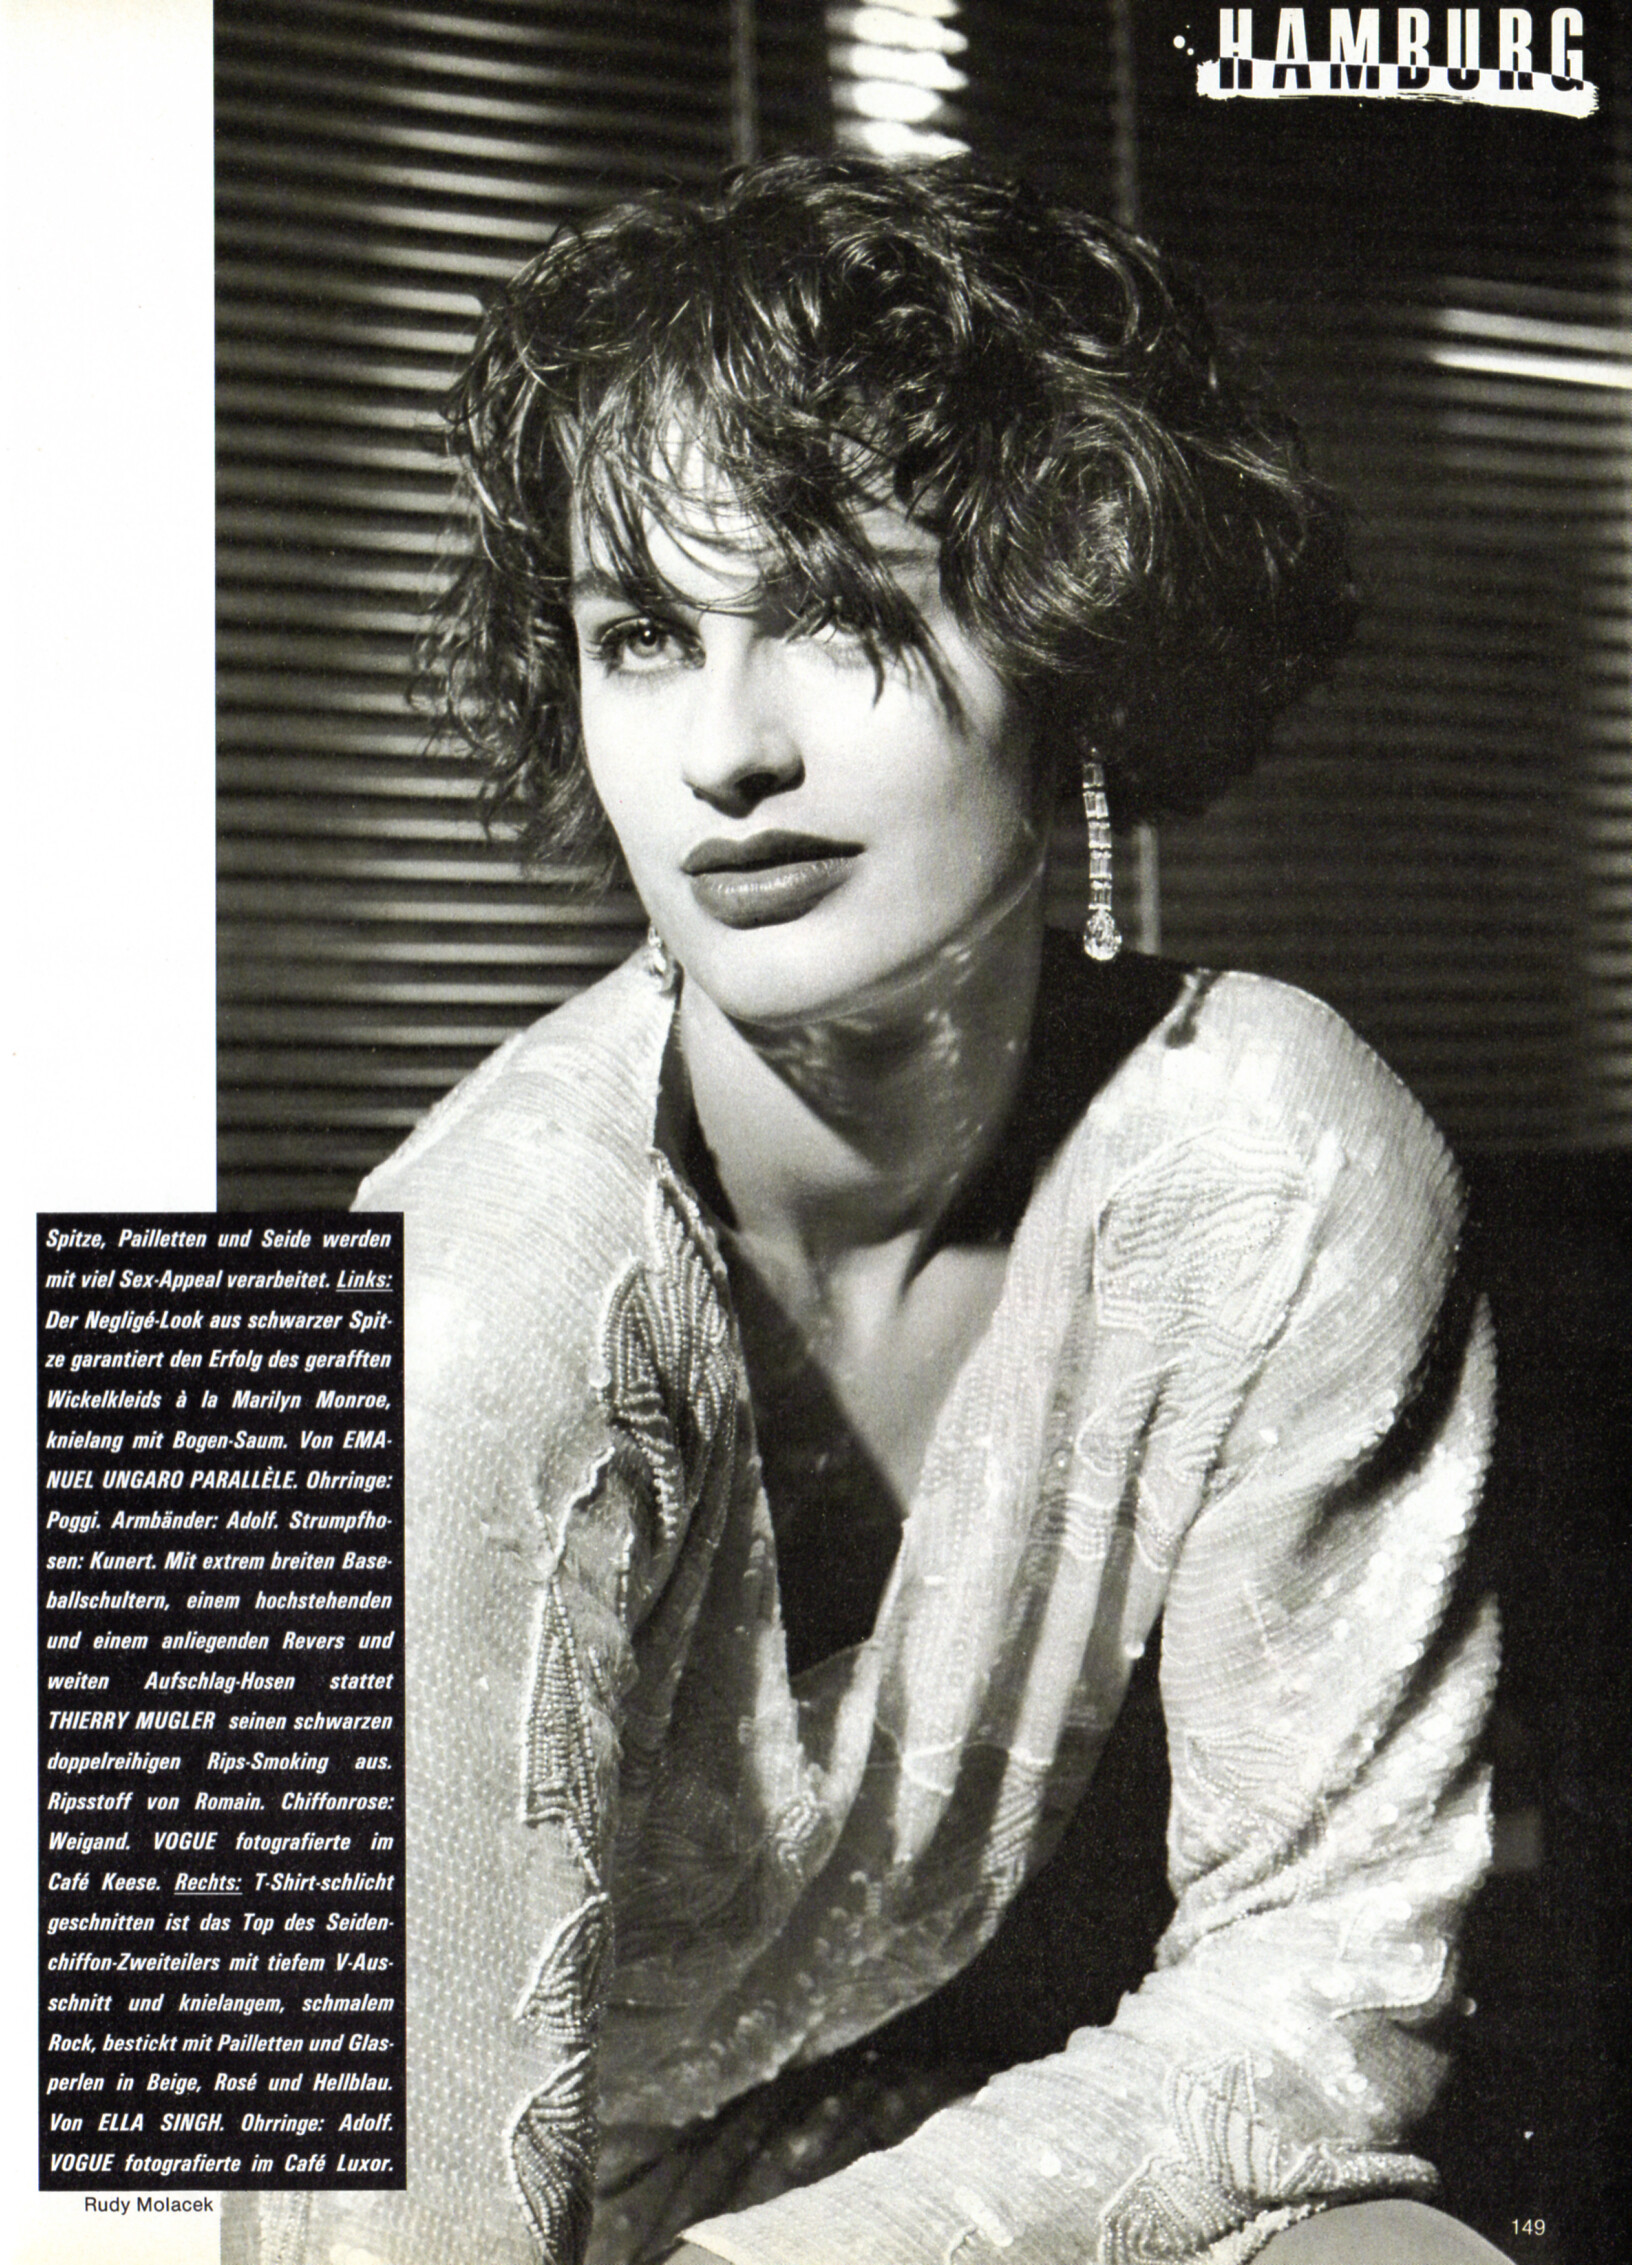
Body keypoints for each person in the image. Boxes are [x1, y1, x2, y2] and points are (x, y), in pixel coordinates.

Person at [228, 157, 1507, 2264]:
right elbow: (361, 2214)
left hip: (872, 2174)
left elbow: (1329, 1993)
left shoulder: (1279, 1158)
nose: (726, 749)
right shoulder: (436, 1299)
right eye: (642, 636)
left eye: (838, 610)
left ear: (1076, 641)